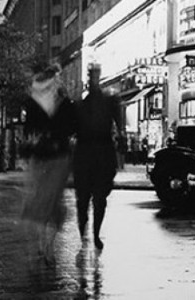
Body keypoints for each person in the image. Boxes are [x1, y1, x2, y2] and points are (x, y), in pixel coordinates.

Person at [20, 62, 76, 266]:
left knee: (48, 202)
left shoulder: (63, 105)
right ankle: (44, 245)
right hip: (48, 157)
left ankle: (45, 245)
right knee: (46, 202)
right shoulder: (38, 104)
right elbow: (29, 131)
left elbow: (71, 127)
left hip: (53, 157)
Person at [74, 63, 125, 250]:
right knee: (84, 200)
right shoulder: (81, 105)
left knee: (98, 199)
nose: (93, 79)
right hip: (88, 154)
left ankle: (94, 233)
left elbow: (118, 123)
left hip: (99, 154)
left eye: (95, 75)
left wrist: (121, 135)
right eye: (91, 76)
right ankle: (86, 233)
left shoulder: (107, 102)